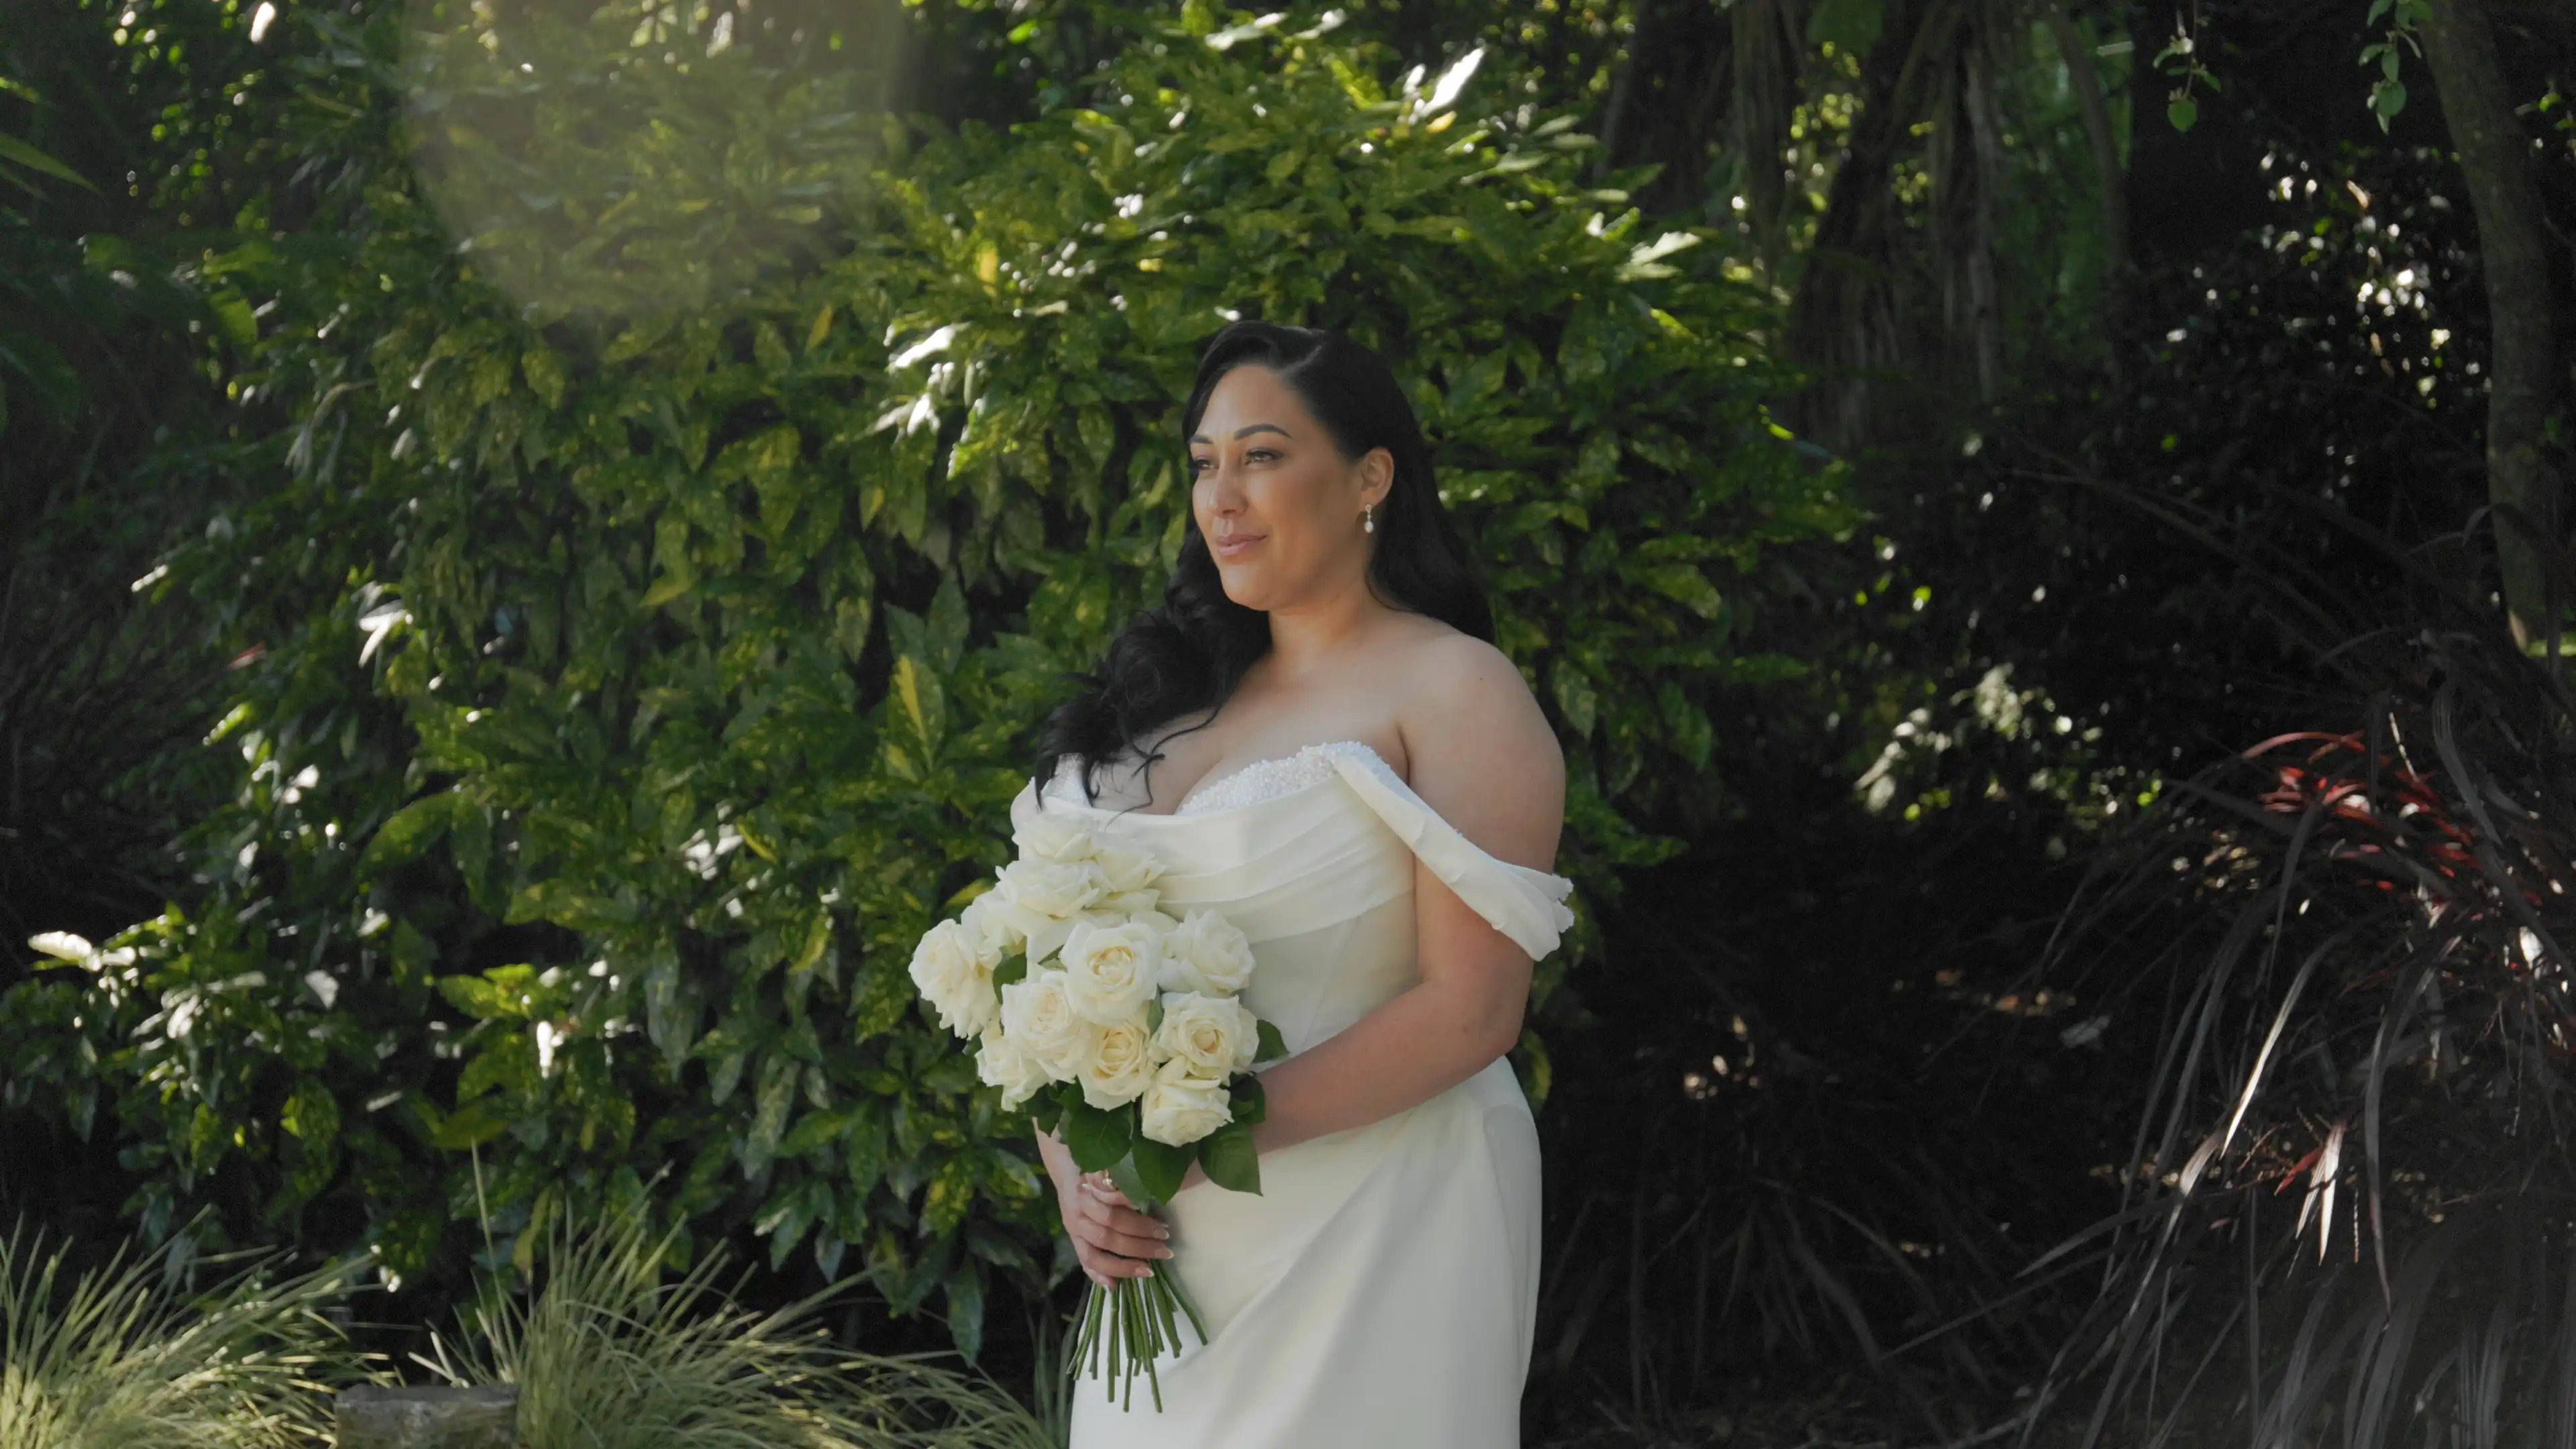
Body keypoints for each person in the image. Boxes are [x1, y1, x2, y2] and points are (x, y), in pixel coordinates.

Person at [1018, 319, 1574, 1446]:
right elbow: (1050, 987)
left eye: (1263, 455)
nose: (1223, 494)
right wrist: (1083, 1174)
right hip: (1165, 1247)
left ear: (1371, 478)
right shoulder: (1161, 697)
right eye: (1204, 463)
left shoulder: (1456, 689)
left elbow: (1473, 1008)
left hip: (1382, 1212)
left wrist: (1195, 1136)